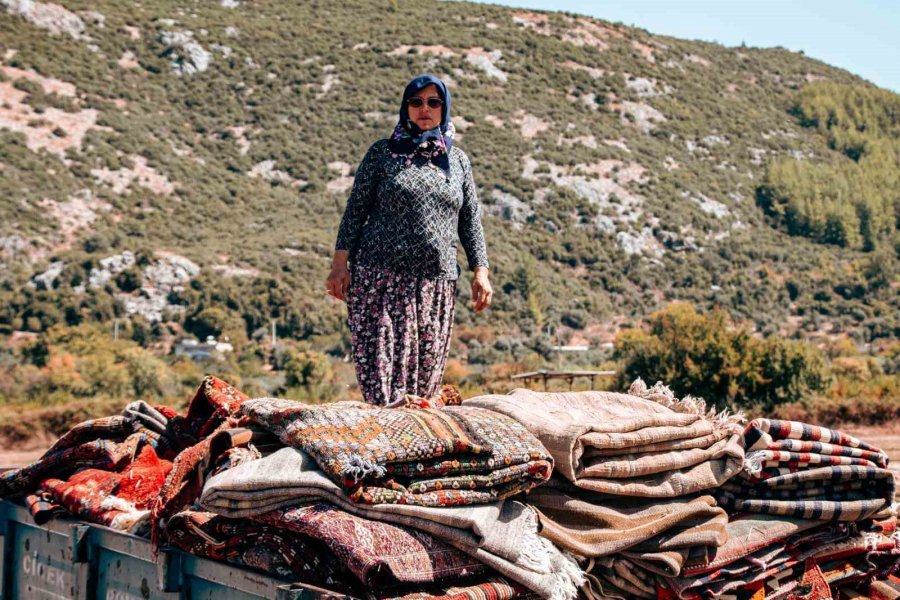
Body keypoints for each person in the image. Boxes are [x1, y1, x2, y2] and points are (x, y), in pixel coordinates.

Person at [325, 74, 492, 406]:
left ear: (444, 108)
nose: (424, 109)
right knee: (384, 382)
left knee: (423, 387)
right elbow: (355, 209)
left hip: (436, 285)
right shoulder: (382, 154)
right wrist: (339, 265)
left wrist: (481, 272)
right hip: (380, 282)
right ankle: (384, 447)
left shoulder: (457, 161)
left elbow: (470, 218)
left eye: (433, 102)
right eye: (416, 102)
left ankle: (414, 449)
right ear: (406, 108)